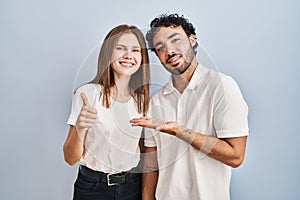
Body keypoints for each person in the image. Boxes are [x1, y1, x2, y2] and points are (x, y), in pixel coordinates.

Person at [130, 13, 249, 200]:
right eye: (160, 48)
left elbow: (235, 156)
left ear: (192, 40)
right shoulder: (155, 101)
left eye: (175, 40)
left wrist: (180, 131)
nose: (170, 51)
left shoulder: (222, 86)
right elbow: (151, 163)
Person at [63, 24, 150, 200]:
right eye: (120, 48)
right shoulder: (88, 93)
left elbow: (144, 152)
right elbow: (70, 158)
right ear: (108, 53)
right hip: (93, 188)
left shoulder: (142, 101)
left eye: (135, 50)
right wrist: (80, 127)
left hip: (132, 186)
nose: (128, 55)